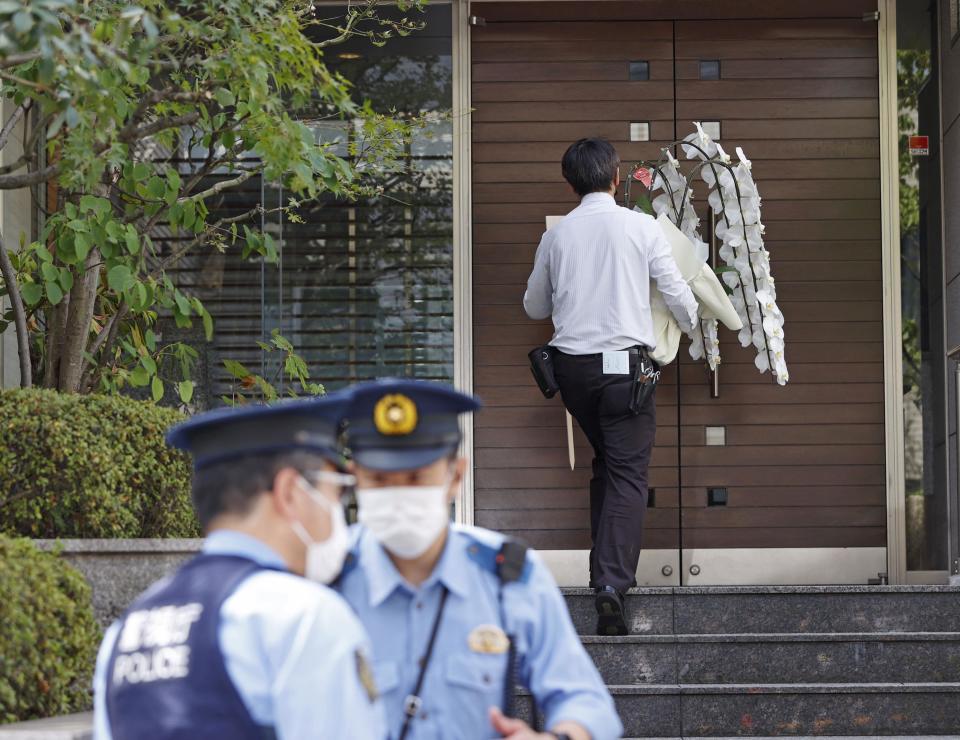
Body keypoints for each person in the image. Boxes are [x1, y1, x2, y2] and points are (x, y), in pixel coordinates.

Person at [335, 379, 622, 740]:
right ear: (354, 479)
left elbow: (585, 700)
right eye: (379, 480)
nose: (399, 495)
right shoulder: (325, 580)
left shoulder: (508, 573)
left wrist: (557, 736)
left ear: (455, 476)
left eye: (416, 477)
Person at [92, 394, 385, 740]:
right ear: (291, 492)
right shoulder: (304, 618)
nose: (339, 510)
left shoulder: (128, 630)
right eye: (337, 492)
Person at [523, 137, 699, 636]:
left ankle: (605, 572)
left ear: (570, 182)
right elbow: (676, 292)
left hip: (573, 373)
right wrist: (688, 324)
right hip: (626, 370)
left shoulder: (556, 238)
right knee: (627, 473)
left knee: (609, 465)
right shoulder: (640, 227)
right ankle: (611, 586)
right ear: (616, 177)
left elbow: (535, 308)